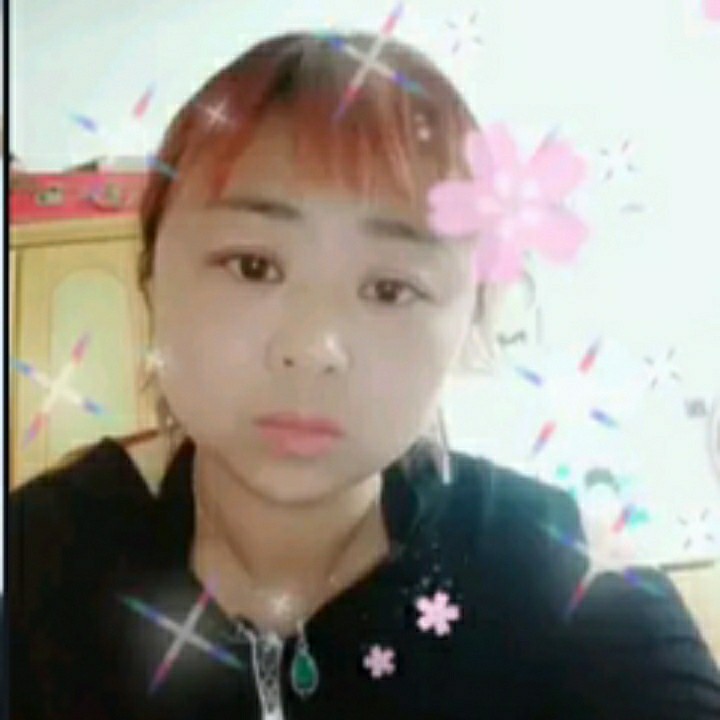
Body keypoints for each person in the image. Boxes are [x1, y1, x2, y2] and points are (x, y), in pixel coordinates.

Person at [9, 31, 720, 720]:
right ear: (151, 281)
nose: (314, 347)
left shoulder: (571, 585)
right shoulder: (32, 568)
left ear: (470, 322)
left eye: (389, 288)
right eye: (253, 266)